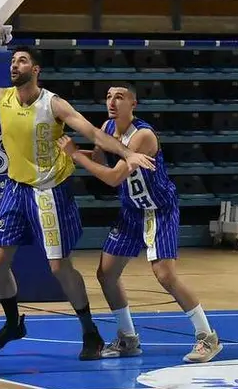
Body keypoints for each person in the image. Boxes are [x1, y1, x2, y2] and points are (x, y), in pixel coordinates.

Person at [0, 31, 156, 360]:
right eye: (12, 60)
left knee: (58, 267)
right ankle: (13, 323)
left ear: (35, 70)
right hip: (15, 188)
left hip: (50, 191)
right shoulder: (0, 96)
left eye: (21, 60)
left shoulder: (53, 104)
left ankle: (90, 332)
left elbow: (92, 132)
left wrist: (126, 153)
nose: (14, 64)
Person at [55, 84, 223, 364]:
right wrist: (77, 150)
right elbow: (99, 160)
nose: (112, 101)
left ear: (134, 103)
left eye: (119, 96)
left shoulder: (142, 136)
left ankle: (208, 337)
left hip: (159, 209)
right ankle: (127, 339)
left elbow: (112, 178)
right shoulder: (107, 127)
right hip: (132, 210)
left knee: (165, 275)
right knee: (106, 273)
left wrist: (75, 154)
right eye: (108, 96)